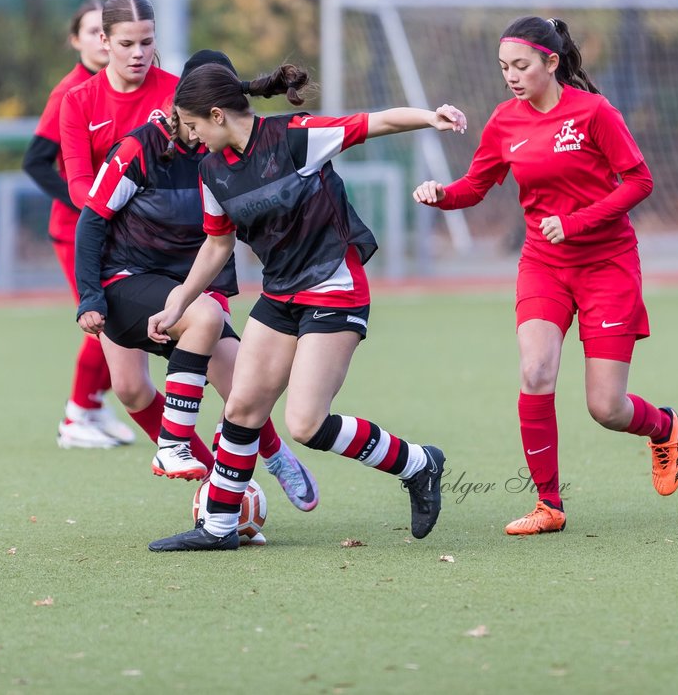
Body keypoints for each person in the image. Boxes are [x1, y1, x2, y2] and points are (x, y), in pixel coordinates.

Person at [145, 62, 468, 551]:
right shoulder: (211, 172)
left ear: (216, 115)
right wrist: (177, 305)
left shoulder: (295, 138)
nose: (189, 137)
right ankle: (219, 527)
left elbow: (374, 122)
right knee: (243, 406)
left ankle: (419, 464)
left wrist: (430, 117)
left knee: (306, 424)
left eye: (192, 126)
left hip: (334, 287)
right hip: (280, 294)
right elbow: (215, 246)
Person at [412, 16, 678, 536]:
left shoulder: (594, 113)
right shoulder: (504, 121)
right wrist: (441, 195)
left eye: (521, 66)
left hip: (608, 265)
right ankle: (549, 504)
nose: (511, 76)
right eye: (503, 68)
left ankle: (664, 427)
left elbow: (640, 180)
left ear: (551, 62)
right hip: (545, 264)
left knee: (606, 407)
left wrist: (578, 222)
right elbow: (476, 185)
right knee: (536, 371)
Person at [74, 49, 320, 517]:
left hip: (193, 286)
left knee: (243, 388)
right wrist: (89, 297)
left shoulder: (234, 155)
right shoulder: (140, 148)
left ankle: (268, 458)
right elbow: (91, 221)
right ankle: (200, 468)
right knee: (128, 388)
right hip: (129, 278)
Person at [54, 0, 178, 450]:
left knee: (226, 377)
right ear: (104, 41)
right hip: (117, 256)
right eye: (127, 43)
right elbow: (77, 184)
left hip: (179, 254)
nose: (139, 53)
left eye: (147, 42)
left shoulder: (174, 93)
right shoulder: (77, 101)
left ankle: (267, 457)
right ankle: (211, 477)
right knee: (128, 387)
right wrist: (120, 210)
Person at [23, 0, 118, 448]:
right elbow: (37, 161)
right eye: (92, 30)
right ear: (75, 39)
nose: (102, 39)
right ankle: (77, 416)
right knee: (104, 319)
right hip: (76, 228)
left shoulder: (121, 87)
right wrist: (85, 204)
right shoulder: (69, 93)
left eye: (108, 29)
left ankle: (95, 408)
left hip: (117, 227)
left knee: (125, 319)